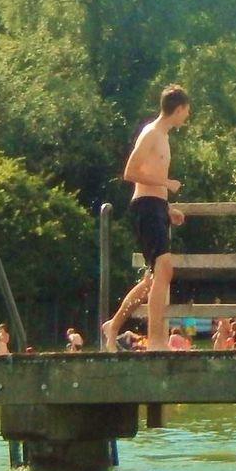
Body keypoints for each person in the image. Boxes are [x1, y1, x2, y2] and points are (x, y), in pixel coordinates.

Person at [103, 85, 193, 352]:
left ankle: (113, 325)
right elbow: (130, 172)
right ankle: (156, 341)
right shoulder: (151, 133)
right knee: (164, 269)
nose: (187, 116)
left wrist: (167, 208)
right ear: (178, 109)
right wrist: (166, 183)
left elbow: (151, 178)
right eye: (186, 111)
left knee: (152, 280)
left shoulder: (164, 137)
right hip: (145, 208)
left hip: (156, 207)